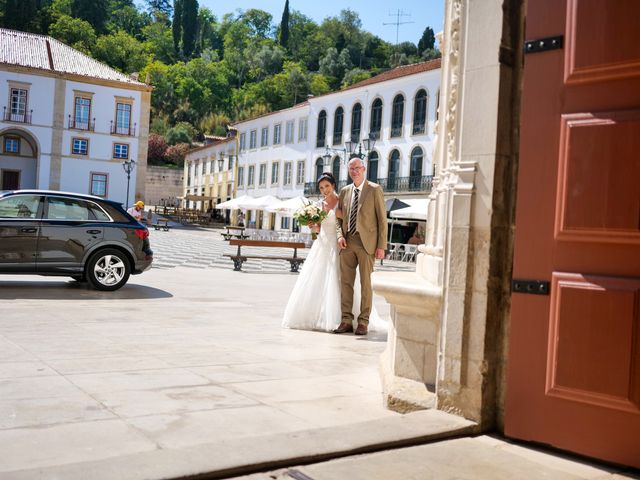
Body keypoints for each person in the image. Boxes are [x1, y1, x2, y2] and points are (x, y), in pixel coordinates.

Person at [282, 171, 387, 334]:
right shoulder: (318, 206)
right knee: (320, 281)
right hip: (322, 246)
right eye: (322, 187)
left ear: (333, 186)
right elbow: (317, 231)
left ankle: (354, 320)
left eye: (327, 186)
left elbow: (345, 222)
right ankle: (329, 317)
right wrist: (312, 226)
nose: (324, 190)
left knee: (343, 281)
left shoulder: (343, 200)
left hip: (340, 245)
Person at [334, 157, 387, 336]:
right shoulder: (344, 191)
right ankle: (346, 320)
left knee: (366, 284)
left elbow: (382, 220)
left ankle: (363, 322)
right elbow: (338, 218)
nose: (354, 171)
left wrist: (381, 245)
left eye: (357, 168)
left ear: (364, 169)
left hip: (367, 244)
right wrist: (340, 236)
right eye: (351, 169)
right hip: (348, 242)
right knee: (346, 283)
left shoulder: (374, 189)